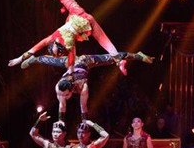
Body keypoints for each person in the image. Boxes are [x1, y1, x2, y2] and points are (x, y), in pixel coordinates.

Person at [8, 0, 128, 75]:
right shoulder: (53, 37)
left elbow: (71, 60)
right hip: (76, 14)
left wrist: (70, 72)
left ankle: (118, 60)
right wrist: (19, 58)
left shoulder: (69, 45)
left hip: (85, 21)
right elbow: (34, 49)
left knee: (103, 40)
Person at [21, 52, 153, 122]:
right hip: (70, 64)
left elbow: (83, 107)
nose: (64, 97)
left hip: (84, 61)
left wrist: (84, 121)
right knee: (47, 60)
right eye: (63, 95)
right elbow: (62, 106)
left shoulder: (83, 86)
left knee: (113, 57)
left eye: (66, 95)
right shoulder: (59, 88)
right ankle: (33, 59)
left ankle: (138, 55)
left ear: (72, 89)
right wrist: (61, 121)